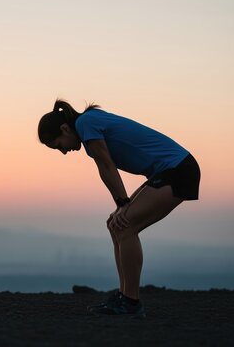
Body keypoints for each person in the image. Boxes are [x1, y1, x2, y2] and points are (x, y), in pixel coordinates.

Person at [38, 99, 201, 318]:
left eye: (58, 145)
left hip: (178, 169)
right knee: (116, 225)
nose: (63, 152)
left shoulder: (86, 123)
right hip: (166, 172)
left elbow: (106, 165)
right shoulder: (88, 125)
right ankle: (125, 296)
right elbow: (106, 167)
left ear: (65, 128)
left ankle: (131, 303)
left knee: (126, 226)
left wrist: (123, 203)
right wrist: (121, 205)